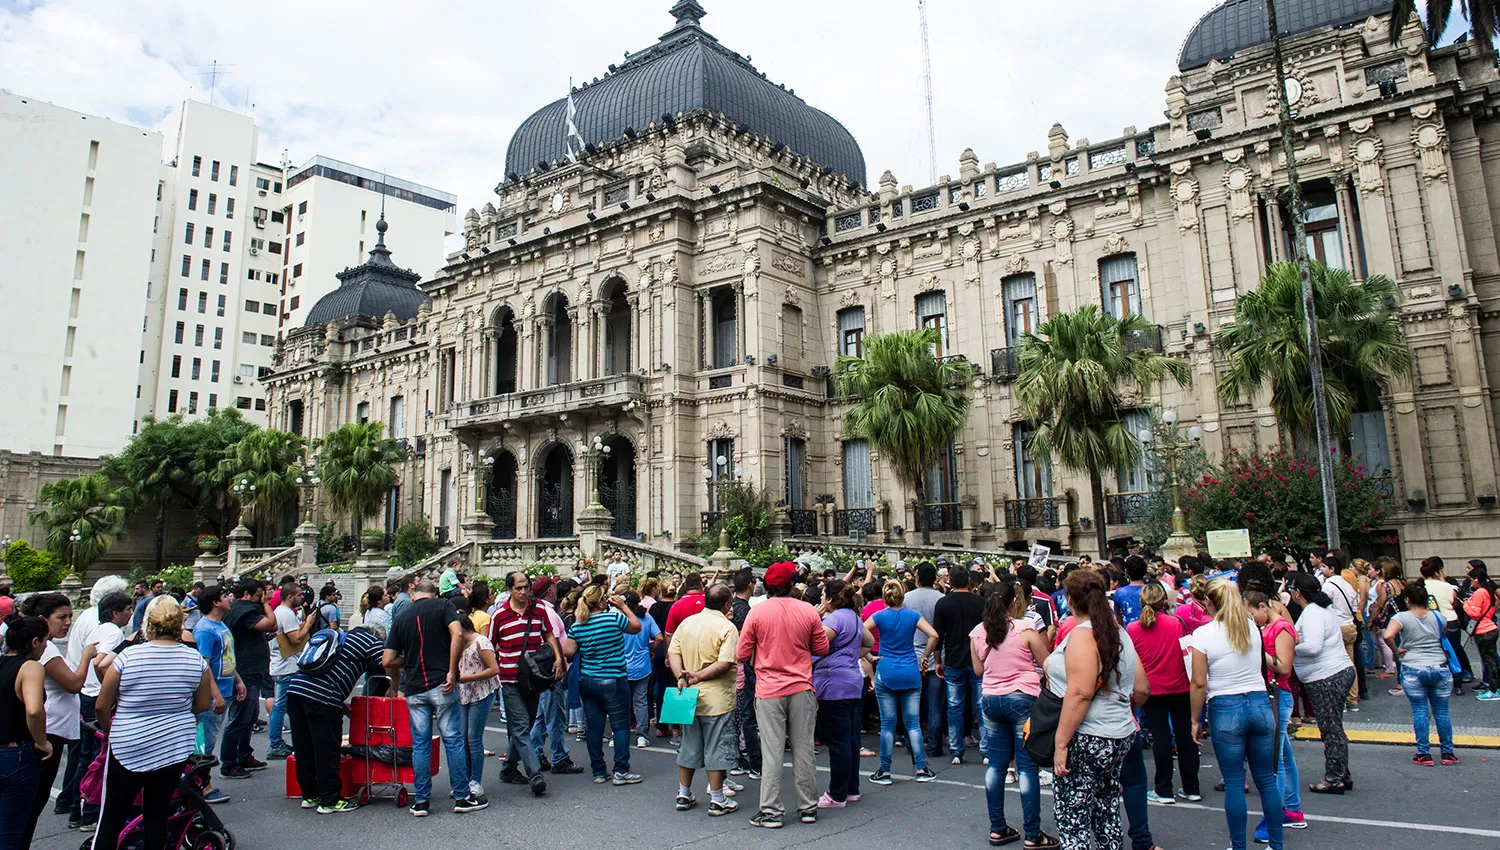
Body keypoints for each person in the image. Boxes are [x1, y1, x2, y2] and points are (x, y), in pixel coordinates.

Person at [93, 596, 213, 850]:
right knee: (157, 813)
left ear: (149, 625)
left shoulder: (128, 657)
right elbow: (202, 705)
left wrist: (108, 727)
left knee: (112, 814)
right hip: (173, 744)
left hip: (128, 740)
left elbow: (102, 705)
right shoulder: (195, 661)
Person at [1047, 570, 1147, 850]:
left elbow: (1080, 693)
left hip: (1086, 734)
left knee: (1073, 818)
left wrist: (1061, 742)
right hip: (1119, 733)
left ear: (1070, 600)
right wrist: (1124, 710)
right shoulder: (1119, 632)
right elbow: (1142, 688)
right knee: (1106, 811)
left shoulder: (1082, 635)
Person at [1188, 580, 1283, 850]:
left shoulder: (1204, 634)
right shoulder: (1251, 627)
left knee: (1233, 782)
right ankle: (1276, 844)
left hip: (1226, 706)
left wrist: (1195, 720)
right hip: (1259, 703)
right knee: (1266, 779)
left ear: (1209, 602)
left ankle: (1238, 845)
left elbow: (1198, 683)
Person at [737, 561, 831, 828]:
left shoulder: (757, 613)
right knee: (804, 749)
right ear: (791, 584)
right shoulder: (807, 611)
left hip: (769, 689)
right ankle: (808, 806)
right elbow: (822, 648)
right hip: (801, 686)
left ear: (765, 587)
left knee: (772, 750)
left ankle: (771, 810)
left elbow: (742, 653)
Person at [382, 579, 480, 816]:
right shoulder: (443, 607)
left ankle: (422, 800)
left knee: (420, 745)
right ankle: (462, 796)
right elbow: (457, 634)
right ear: (434, 594)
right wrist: (452, 669)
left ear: (413, 595)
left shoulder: (402, 617)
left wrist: (409, 662)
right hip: (441, 683)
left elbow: (387, 660)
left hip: (415, 687)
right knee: (453, 740)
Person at [971, 578, 1054, 848]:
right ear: (1014, 601)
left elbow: (979, 671)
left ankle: (998, 827)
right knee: (1027, 767)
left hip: (992, 698)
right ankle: (1032, 832)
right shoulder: (1026, 629)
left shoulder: (978, 632)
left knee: (996, 765)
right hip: (1022, 698)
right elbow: (1047, 664)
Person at [286, 618, 385, 814]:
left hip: (296, 691)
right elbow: (387, 662)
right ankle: (330, 800)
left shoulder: (339, 637)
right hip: (323, 698)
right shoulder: (371, 641)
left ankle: (310, 795)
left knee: (304, 745)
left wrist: (340, 704)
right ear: (376, 634)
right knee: (327, 748)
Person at [16, 593, 88, 848]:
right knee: (31, 802)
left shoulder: (37, 648)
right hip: (47, 732)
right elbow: (73, 684)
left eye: (70, 616)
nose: (68, 622)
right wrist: (88, 656)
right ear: (41, 619)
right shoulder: (44, 651)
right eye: (61, 617)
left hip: (47, 729)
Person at [489, 571, 566, 796]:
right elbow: (489, 644)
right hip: (510, 679)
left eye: (525, 587)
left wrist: (559, 658)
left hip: (533, 678)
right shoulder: (499, 616)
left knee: (527, 724)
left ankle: (509, 767)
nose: (523, 592)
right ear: (509, 590)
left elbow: (549, 635)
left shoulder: (539, 609)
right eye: (518, 588)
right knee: (522, 726)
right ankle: (535, 775)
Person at [668, 584, 741, 815]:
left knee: (688, 745)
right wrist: (698, 674)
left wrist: (682, 675)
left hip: (688, 695)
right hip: (717, 697)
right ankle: (718, 798)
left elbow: (673, 650)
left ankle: (683, 793)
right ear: (727, 604)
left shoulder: (688, 622)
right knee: (717, 747)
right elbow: (724, 663)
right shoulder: (727, 628)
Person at [1127, 580, 1198, 805]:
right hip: (1179, 685)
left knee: (1161, 738)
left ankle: (1163, 788)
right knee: (1185, 737)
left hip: (1152, 689)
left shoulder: (1133, 628)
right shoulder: (1176, 623)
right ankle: (1191, 786)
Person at [564, 583, 643, 784]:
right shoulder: (613, 618)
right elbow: (636, 626)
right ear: (601, 601)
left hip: (588, 679)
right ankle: (621, 770)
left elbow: (569, 653)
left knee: (595, 727)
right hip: (614, 678)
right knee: (620, 726)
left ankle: (598, 771)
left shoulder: (577, 625)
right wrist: (623, 607)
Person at [864, 579, 939, 785]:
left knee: (887, 724)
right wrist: (925, 655)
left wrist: (869, 656)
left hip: (887, 669)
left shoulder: (879, 615)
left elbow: (860, 632)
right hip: (909, 669)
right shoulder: (912, 615)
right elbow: (933, 634)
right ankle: (922, 768)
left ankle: (885, 770)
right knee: (913, 723)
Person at [1245, 591, 1307, 837]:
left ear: (1263, 606)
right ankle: (1292, 809)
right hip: (1273, 694)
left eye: (1253, 614)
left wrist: (1258, 651)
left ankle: (1272, 822)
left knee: (1275, 761)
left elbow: (1283, 666)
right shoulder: (1268, 627)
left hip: (1278, 695)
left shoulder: (1281, 628)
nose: (1253, 620)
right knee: (1284, 755)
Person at [1287, 572, 1356, 793]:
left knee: (1331, 729)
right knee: (1333, 726)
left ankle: (1334, 778)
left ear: (1297, 592)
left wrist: (1290, 649)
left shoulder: (1313, 614)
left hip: (1326, 676)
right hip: (1332, 673)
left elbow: (1313, 647)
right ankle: (1341, 774)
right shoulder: (1321, 611)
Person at [1382, 583, 1458, 765]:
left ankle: (1424, 753)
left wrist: (1397, 650)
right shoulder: (1439, 617)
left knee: (1420, 711)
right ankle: (1448, 753)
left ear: (1407, 600)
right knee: (1442, 712)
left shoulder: (1401, 617)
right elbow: (1443, 633)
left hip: (1413, 667)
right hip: (1440, 666)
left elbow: (1387, 636)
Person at [811, 580, 870, 810]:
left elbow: (817, 644)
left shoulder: (833, 619)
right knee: (850, 738)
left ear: (831, 598)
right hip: (852, 679)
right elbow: (869, 641)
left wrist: (815, 620)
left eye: (824, 594)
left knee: (838, 741)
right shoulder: (854, 616)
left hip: (833, 683)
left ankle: (837, 793)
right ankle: (851, 788)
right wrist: (850, 654)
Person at [1, 614, 50, 850]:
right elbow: (33, 710)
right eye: (45, 641)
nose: (46, 646)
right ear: (34, 642)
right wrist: (42, 741)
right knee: (10, 832)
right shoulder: (30, 667)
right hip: (15, 754)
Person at [219, 578, 276, 780]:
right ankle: (228, 762)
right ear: (248, 595)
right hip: (246, 671)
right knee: (240, 717)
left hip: (249, 669)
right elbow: (271, 624)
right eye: (260, 594)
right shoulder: (246, 610)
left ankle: (244, 755)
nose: (263, 597)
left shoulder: (239, 609)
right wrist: (265, 604)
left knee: (249, 716)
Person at [189, 587, 239, 804]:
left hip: (226, 688)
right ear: (216, 603)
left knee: (210, 739)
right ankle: (203, 785)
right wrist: (216, 695)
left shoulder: (220, 625)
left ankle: (200, 783)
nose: (229, 598)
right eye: (224, 596)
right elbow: (204, 666)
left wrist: (238, 680)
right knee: (205, 743)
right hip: (213, 694)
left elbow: (226, 656)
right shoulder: (205, 630)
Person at [525, 575, 579, 774]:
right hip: (551, 670)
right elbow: (553, 638)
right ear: (549, 590)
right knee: (555, 715)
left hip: (540, 670)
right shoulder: (547, 611)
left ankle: (537, 753)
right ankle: (560, 757)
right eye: (555, 586)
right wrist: (560, 664)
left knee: (541, 715)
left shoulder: (535, 609)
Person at [934, 565, 986, 765]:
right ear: (969, 582)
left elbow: (939, 635)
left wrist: (938, 661)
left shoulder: (943, 603)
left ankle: (956, 750)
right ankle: (986, 750)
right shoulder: (980, 603)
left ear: (951, 582)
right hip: (978, 659)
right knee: (981, 706)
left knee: (954, 706)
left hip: (953, 658)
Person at [453, 598, 499, 800]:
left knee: (473, 738)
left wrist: (467, 678)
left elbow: (494, 669)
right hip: (464, 693)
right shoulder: (458, 644)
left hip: (481, 692)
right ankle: (464, 781)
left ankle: (475, 781)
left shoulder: (481, 642)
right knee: (462, 738)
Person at [266, 582, 318, 761]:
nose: (302, 598)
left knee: (284, 705)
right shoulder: (286, 614)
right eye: (299, 595)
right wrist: (308, 624)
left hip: (284, 663)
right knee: (282, 705)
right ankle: (275, 743)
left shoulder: (282, 613)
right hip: (286, 665)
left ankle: (278, 742)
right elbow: (295, 639)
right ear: (290, 597)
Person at [903, 563, 947, 758]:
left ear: (917, 577)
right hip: (937, 656)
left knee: (912, 701)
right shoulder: (941, 599)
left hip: (912, 654)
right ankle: (935, 744)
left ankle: (911, 741)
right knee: (935, 703)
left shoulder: (906, 599)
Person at [1421, 557, 1473, 693]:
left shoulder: (1420, 587)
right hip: (1450, 621)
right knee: (1453, 652)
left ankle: (1437, 683)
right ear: (1438, 572)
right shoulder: (1448, 587)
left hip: (1428, 622)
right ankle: (1458, 684)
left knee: (1432, 653)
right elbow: (1454, 604)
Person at [1318, 556, 1361, 711]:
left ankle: (1340, 700)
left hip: (1337, 627)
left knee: (1336, 666)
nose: (1321, 570)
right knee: (1350, 664)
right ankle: (1353, 700)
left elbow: (1323, 606)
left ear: (1332, 569)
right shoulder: (1348, 585)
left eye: (1324, 567)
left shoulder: (1328, 586)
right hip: (1350, 626)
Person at [621, 590, 662, 749]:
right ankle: (642, 735)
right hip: (642, 664)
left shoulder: (620, 619)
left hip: (623, 665)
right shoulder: (646, 617)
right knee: (641, 701)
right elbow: (658, 637)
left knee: (622, 702)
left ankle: (621, 732)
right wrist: (650, 649)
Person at [1461, 560, 1499, 699]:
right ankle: (1496, 687)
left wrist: (1465, 604)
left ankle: (1493, 690)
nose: (1471, 583)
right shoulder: (1490, 590)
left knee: (1489, 661)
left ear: (1476, 579)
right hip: (1491, 627)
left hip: (1483, 630)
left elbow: (1474, 614)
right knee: (1493, 659)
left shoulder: (1479, 593)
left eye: (1472, 580)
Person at [1113, 556, 1151, 627]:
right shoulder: (1152, 590)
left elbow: (1118, 617)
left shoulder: (1119, 592)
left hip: (1129, 633)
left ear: (1126, 571)